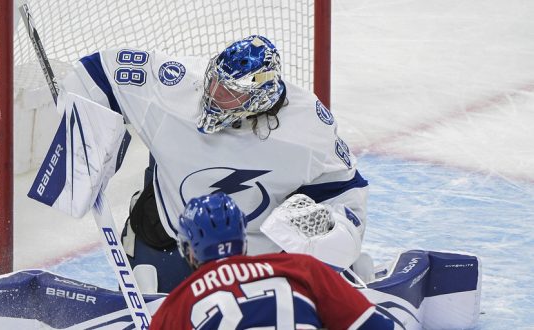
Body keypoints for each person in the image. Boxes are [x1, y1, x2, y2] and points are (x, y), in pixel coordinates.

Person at [38, 35, 368, 292]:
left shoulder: (308, 129)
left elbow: (345, 194)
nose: (212, 95)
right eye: (214, 82)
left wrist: (333, 242)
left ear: (259, 98)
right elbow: (99, 72)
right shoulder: (174, 87)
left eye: (228, 93)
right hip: (168, 237)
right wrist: (84, 128)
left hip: (260, 259)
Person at [149, 192, 394, 330]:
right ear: (243, 240)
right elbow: (377, 327)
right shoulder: (302, 268)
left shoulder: (175, 307)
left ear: (188, 251)